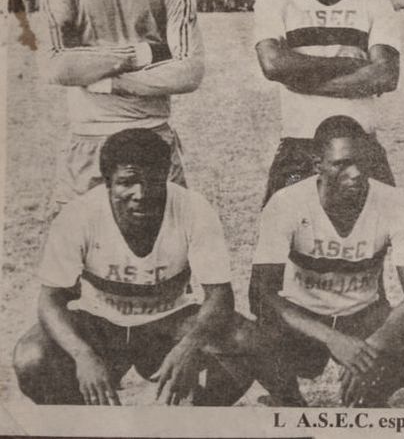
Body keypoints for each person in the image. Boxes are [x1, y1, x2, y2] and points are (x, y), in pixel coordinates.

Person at [11, 129, 275, 406]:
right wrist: (82, 355)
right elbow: (50, 299)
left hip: (167, 323)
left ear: (166, 175)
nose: (141, 193)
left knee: (246, 340)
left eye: (152, 181)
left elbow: (220, 295)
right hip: (100, 324)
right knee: (32, 358)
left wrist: (190, 345)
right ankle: (85, 419)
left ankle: (191, 417)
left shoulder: (193, 209)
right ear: (107, 182)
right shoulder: (78, 215)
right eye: (128, 182)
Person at [40, 0, 203, 211]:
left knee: (165, 256)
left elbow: (188, 72)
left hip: (151, 137)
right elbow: (55, 65)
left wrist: (107, 83)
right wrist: (143, 53)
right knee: (74, 256)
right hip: (88, 140)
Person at [249, 116, 404, 407]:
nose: (356, 172)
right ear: (317, 164)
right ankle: (289, 402)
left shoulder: (394, 202)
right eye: (341, 163)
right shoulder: (286, 203)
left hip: (362, 314)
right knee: (258, 336)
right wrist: (331, 338)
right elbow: (261, 295)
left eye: (362, 161)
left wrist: (372, 346)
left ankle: (370, 398)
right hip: (305, 317)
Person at [254, 0, 400, 204]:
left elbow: (386, 76)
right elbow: (274, 65)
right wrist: (351, 65)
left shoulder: (375, 3)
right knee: (283, 242)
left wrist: (302, 78)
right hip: (300, 145)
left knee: (372, 242)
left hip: (361, 146)